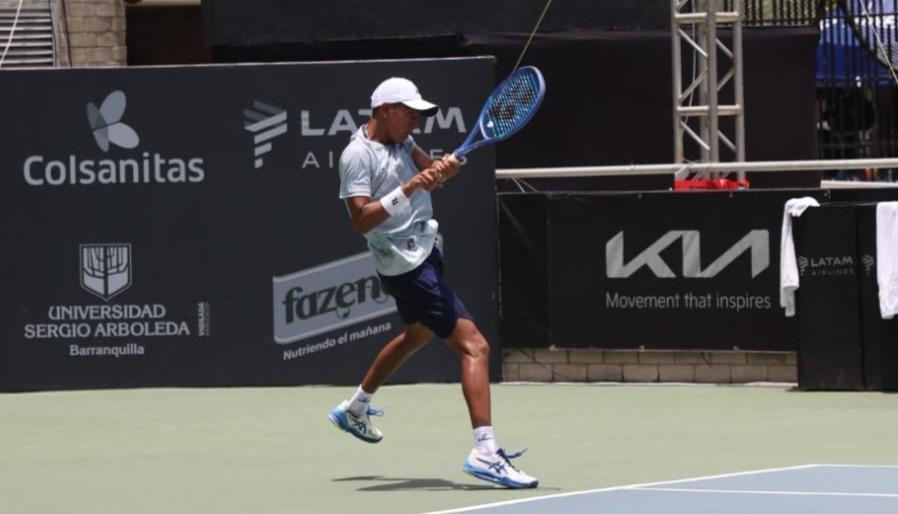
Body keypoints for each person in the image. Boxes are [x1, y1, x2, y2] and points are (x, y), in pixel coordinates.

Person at [327, 77, 538, 489]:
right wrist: (409, 188)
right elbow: (361, 220)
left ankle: (356, 407)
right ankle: (485, 451)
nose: (416, 122)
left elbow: (430, 173)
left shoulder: (403, 142)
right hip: (406, 266)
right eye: (410, 113)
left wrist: (444, 170)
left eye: (419, 115)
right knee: (476, 346)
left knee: (417, 335)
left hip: (423, 251)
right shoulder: (357, 155)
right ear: (384, 110)